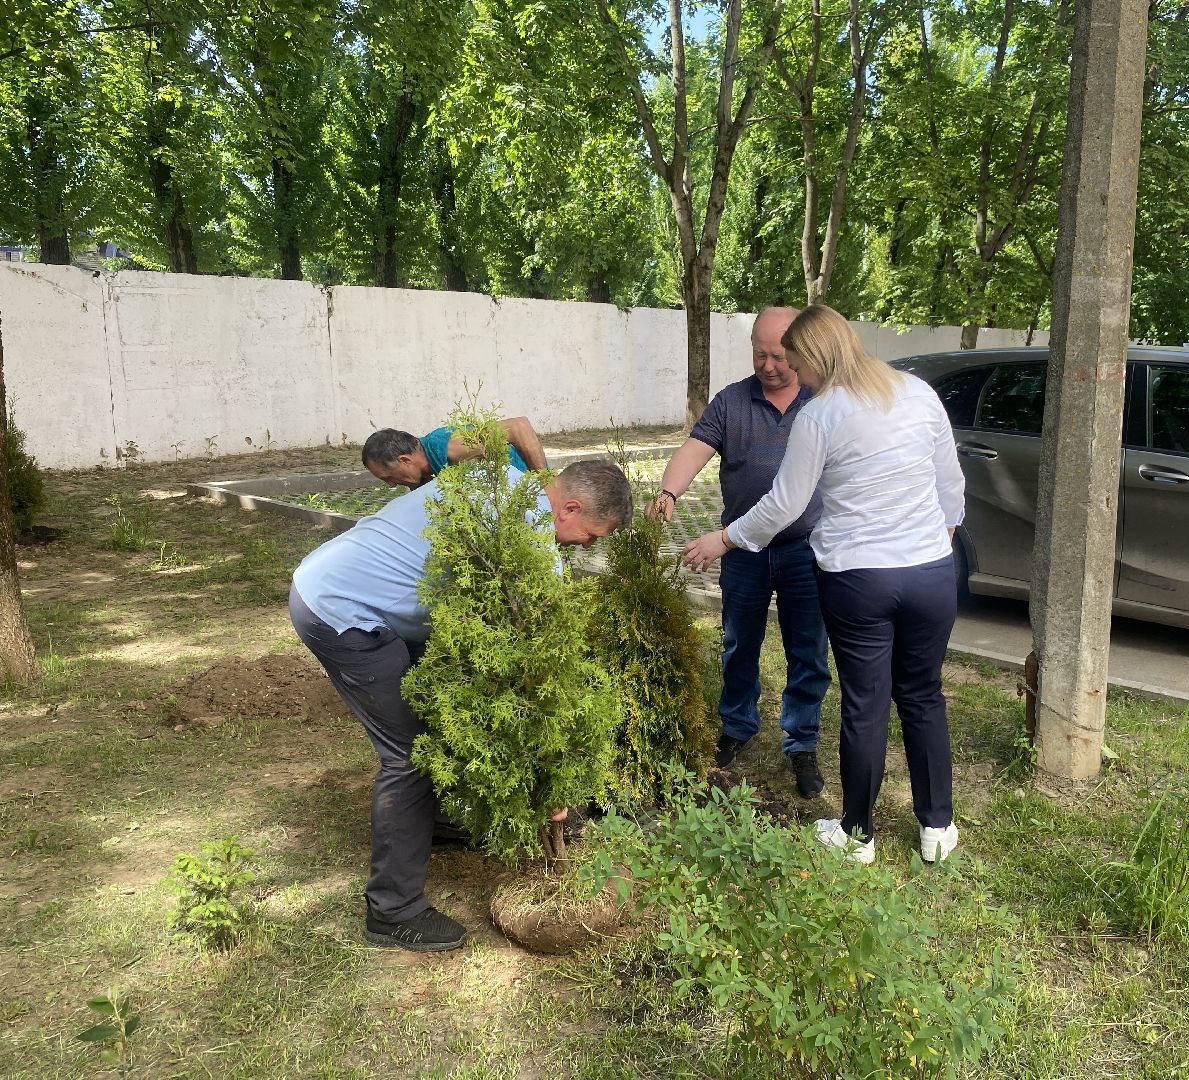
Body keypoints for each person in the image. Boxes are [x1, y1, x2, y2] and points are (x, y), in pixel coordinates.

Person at [290, 457, 633, 951]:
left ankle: (437, 823)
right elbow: (525, 674)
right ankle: (392, 911)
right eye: (593, 535)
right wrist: (545, 769)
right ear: (569, 508)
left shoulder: (504, 481)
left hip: (351, 589)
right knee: (408, 753)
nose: (589, 547)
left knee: (442, 714)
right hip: (342, 609)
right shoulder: (530, 545)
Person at [682, 304, 965, 865]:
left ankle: (858, 836)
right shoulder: (917, 392)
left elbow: (784, 505)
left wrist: (725, 539)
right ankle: (937, 827)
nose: (793, 374)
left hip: (860, 580)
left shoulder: (820, 414)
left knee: (866, 704)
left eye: (795, 361)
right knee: (923, 695)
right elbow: (949, 484)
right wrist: (936, 541)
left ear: (814, 356)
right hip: (932, 573)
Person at [648, 306, 832, 799]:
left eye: (779, 356)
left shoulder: (823, 398)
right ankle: (736, 726)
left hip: (805, 550)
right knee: (738, 642)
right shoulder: (731, 401)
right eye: (760, 353)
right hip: (744, 550)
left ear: (800, 352)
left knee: (808, 651)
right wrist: (669, 491)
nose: (769, 365)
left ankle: (802, 743)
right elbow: (695, 449)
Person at [362, 416, 548, 489]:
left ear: (404, 460)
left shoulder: (445, 447)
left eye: (389, 477)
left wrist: (546, 484)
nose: (392, 485)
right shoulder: (422, 477)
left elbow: (519, 427)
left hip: (526, 489)